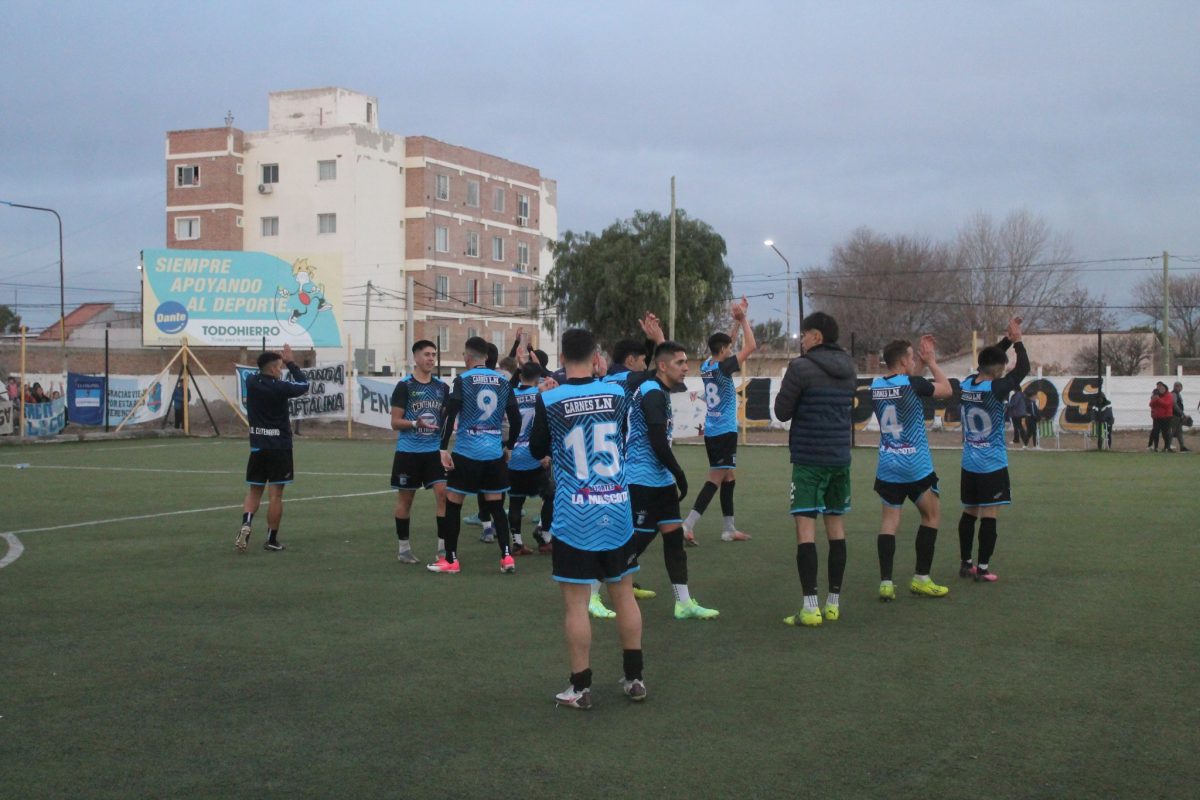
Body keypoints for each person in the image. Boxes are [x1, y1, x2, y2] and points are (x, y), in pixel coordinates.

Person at [529, 327, 645, 709]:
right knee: (623, 594)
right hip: (617, 507)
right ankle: (634, 678)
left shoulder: (551, 399)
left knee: (577, 604)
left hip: (574, 513)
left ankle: (580, 688)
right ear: (597, 357)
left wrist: (548, 398)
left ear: (561, 358)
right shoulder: (616, 393)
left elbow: (537, 450)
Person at [624, 339, 720, 621]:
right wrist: (679, 473)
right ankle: (592, 592)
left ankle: (684, 602)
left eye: (686, 362)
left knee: (674, 540)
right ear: (662, 366)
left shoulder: (660, 390)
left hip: (660, 480)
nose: (685, 367)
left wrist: (671, 476)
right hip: (641, 479)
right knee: (633, 543)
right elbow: (656, 442)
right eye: (680, 362)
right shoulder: (652, 393)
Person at [773, 312, 857, 626]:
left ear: (817, 337)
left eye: (805, 334)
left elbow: (781, 412)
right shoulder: (850, 368)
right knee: (836, 528)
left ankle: (810, 607)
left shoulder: (800, 367)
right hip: (839, 458)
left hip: (809, 459)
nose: (802, 340)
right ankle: (833, 603)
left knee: (805, 531)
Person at [870, 335, 954, 601]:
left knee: (889, 522)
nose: (914, 360)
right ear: (905, 361)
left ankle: (885, 582)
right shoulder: (913, 383)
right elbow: (946, 389)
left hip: (888, 464)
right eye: (912, 357)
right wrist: (931, 361)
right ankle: (921, 578)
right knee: (931, 516)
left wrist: (919, 364)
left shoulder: (875, 384)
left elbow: (906, 383)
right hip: (915, 465)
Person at [429, 336, 521, 574]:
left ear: (467, 357)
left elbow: (450, 414)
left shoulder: (463, 379)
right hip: (493, 453)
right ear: (488, 357)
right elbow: (516, 418)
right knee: (497, 506)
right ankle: (507, 557)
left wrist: (442, 448)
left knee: (453, 504)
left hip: (467, 451)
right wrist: (509, 446)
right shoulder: (503, 381)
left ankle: (451, 559)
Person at [957, 317, 1029, 582]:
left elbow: (988, 362)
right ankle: (983, 568)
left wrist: (1007, 341)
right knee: (990, 514)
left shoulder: (966, 384)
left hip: (969, 463)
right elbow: (1024, 368)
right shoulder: (997, 388)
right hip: (992, 463)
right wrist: (1018, 343)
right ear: (998, 368)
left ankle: (966, 564)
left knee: (969, 512)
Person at [682, 297, 757, 545]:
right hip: (724, 431)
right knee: (715, 479)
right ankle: (688, 524)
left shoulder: (707, 364)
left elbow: (729, 342)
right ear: (723, 351)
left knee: (729, 477)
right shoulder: (724, 368)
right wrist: (744, 319)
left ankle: (729, 528)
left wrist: (735, 322)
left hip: (713, 430)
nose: (731, 349)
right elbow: (751, 346)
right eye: (728, 348)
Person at [235, 344, 310, 553]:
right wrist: (291, 362)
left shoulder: (251, 382)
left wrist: (274, 361)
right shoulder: (281, 387)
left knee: (254, 490)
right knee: (275, 495)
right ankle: (271, 539)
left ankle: (247, 523)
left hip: (258, 447)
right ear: (272, 369)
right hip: (280, 448)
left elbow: (257, 370)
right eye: (279, 367)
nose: (281, 371)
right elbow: (304, 384)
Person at [390, 340, 450, 564]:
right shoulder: (404, 386)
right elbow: (395, 422)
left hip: (434, 452)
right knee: (406, 500)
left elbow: (445, 417)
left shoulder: (442, 388)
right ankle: (403, 548)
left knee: (444, 495)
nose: (431, 359)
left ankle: (443, 549)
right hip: (408, 452)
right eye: (426, 354)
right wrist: (416, 424)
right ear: (415, 357)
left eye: (434, 354)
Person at [507, 360, 554, 556]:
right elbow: (547, 427)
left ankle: (517, 543)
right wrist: (547, 453)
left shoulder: (510, 395)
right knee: (551, 495)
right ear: (538, 378)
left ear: (519, 376)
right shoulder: (541, 396)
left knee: (516, 502)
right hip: (534, 456)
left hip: (513, 457)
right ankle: (544, 535)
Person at [1149, 382, 1174, 452]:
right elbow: (1151, 404)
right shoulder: (1156, 395)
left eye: (1163, 388)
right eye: (1160, 388)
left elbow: (1167, 404)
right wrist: (1155, 399)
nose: (1161, 390)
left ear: (1166, 388)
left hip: (1166, 417)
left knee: (1165, 432)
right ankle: (1156, 447)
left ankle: (1166, 447)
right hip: (1157, 417)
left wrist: (1158, 400)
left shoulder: (1169, 395)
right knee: (1155, 431)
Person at [1170, 381, 1189, 452]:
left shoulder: (1178, 394)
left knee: (1179, 431)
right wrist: (1182, 413)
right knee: (1172, 431)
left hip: (1178, 415)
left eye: (1179, 386)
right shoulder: (1174, 394)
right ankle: (1168, 446)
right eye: (1176, 386)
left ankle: (1182, 446)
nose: (1178, 388)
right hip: (1174, 415)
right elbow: (1174, 405)